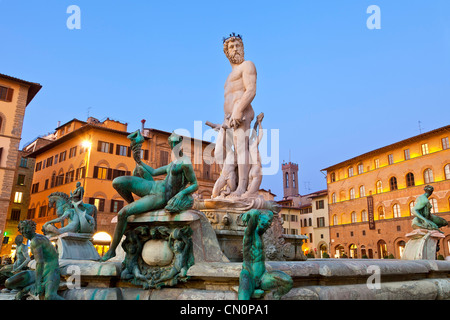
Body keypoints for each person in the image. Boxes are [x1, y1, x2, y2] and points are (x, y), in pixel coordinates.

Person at [101, 131, 198, 261]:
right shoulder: (172, 164)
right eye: (171, 144)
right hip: (153, 186)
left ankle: (111, 251)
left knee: (122, 213)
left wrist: (181, 194)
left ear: (180, 145)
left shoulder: (185, 162)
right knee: (117, 182)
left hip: (161, 196)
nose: (173, 146)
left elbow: (195, 184)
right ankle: (132, 205)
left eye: (175, 143)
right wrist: (139, 160)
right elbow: (152, 171)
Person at [214, 33, 257, 197]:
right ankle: (232, 182)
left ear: (243, 48)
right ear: (227, 53)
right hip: (227, 119)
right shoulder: (229, 75)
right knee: (221, 152)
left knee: (241, 148)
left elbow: (251, 89)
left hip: (242, 112)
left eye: (238, 45)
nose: (235, 49)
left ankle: (242, 188)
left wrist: (238, 109)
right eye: (231, 47)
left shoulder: (248, 65)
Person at [6, 220, 63, 300]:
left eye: (26, 228)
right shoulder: (35, 239)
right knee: (9, 282)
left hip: (51, 271)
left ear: (33, 228)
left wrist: (38, 283)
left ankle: (27, 289)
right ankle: (26, 290)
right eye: (21, 229)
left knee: (50, 297)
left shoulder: (36, 240)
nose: (23, 231)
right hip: (38, 272)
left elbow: (40, 263)